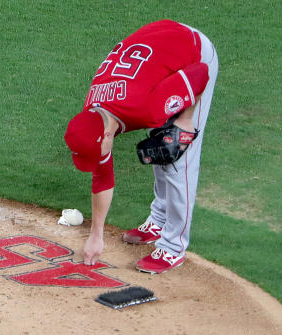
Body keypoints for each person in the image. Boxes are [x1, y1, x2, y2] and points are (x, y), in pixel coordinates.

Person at [64, 19, 218, 274]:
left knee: (177, 156)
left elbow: (200, 73)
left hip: (193, 52)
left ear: (106, 137)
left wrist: (186, 119)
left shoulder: (147, 105)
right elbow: (102, 176)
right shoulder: (91, 117)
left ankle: (173, 247)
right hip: (156, 56)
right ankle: (158, 221)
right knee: (159, 144)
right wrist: (96, 235)